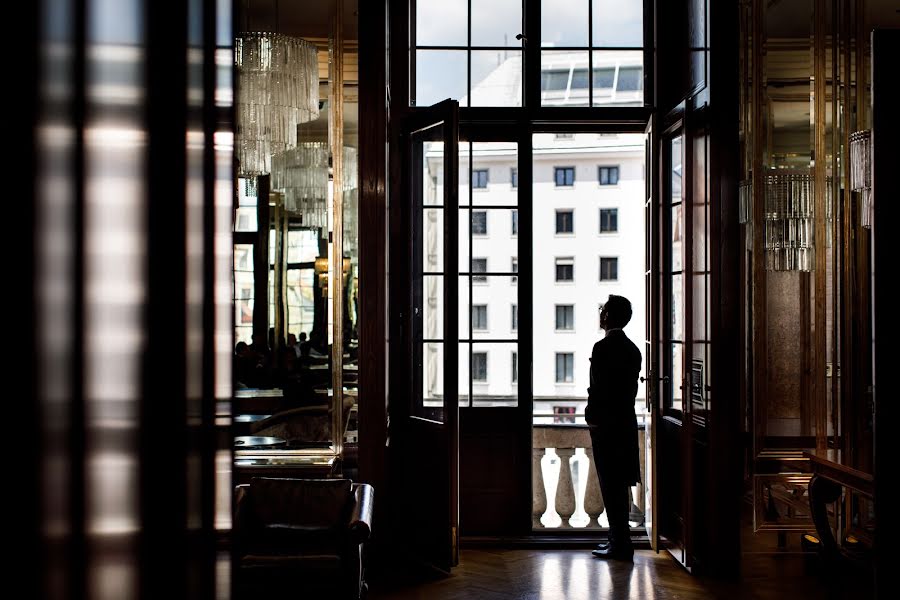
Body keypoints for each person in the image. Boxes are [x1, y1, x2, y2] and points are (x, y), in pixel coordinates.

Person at [586, 294, 642, 561]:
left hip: (606, 427)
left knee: (610, 485)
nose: (600, 313)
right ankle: (620, 541)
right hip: (625, 424)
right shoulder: (633, 350)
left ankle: (618, 543)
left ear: (607, 316)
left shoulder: (602, 348)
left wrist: (592, 418)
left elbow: (598, 390)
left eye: (602, 309)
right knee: (621, 484)